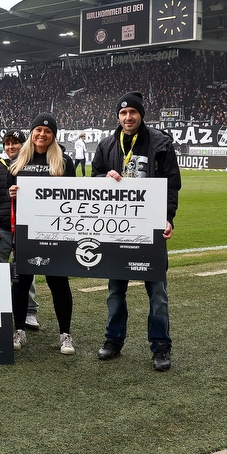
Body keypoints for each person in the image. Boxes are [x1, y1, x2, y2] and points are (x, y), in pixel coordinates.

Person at [91, 92, 181, 372]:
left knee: (157, 292)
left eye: (132, 112)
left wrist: (168, 219)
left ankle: (160, 345)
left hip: (150, 230)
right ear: (117, 117)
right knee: (115, 289)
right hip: (117, 231)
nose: (127, 117)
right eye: (122, 113)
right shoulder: (106, 145)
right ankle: (113, 340)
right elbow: (93, 178)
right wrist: (104, 178)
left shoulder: (161, 143)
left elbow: (171, 185)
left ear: (141, 114)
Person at [7, 113, 76, 356]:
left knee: (59, 283)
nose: (42, 134)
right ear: (32, 132)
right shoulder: (18, 162)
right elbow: (9, 196)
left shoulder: (64, 161)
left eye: (47, 131)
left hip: (55, 233)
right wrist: (12, 193)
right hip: (26, 233)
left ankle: (65, 334)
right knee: (21, 282)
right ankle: (18, 329)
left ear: (53, 135)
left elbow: (73, 197)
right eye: (38, 130)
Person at [0, 129, 40, 330]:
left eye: (15, 143)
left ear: (23, 145)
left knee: (26, 273)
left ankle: (30, 311)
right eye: (7, 144)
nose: (10, 147)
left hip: (25, 229)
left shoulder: (31, 166)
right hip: (1, 229)